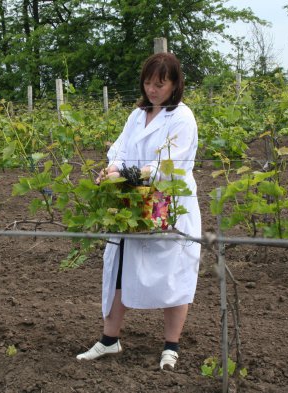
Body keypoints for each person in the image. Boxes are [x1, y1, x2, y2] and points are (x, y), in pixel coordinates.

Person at [76, 52, 201, 371]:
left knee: (172, 273)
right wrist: (111, 169)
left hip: (168, 204)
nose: (152, 90)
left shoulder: (182, 117)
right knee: (118, 265)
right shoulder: (137, 115)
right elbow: (120, 149)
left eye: (160, 84)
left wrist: (129, 174)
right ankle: (109, 340)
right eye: (148, 83)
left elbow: (168, 164)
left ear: (175, 84)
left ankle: (171, 346)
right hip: (131, 204)